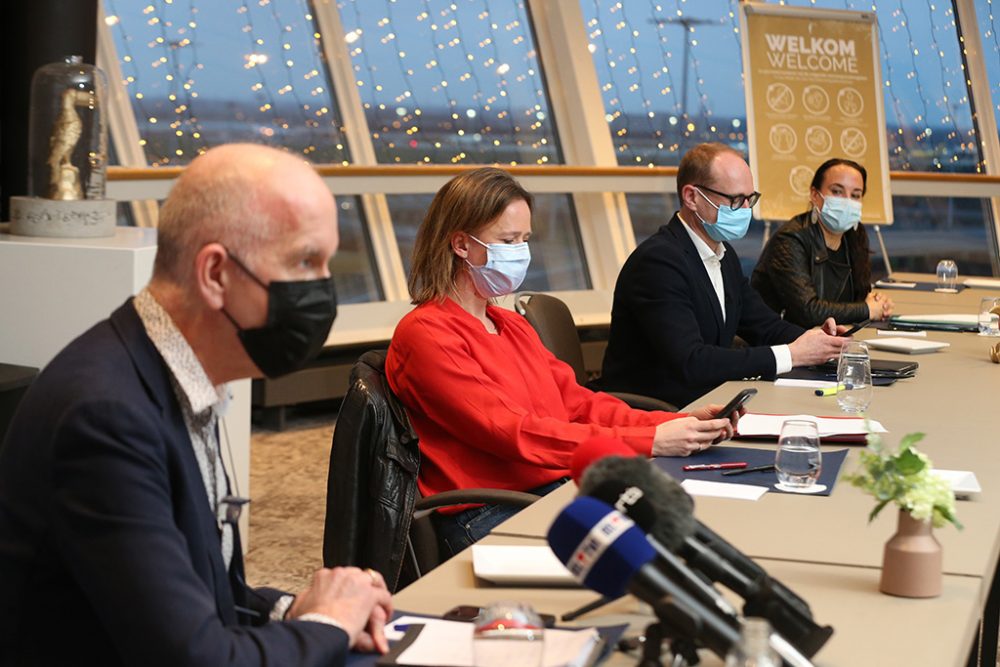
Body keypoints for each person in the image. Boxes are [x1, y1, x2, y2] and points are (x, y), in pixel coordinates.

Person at [0, 144, 392, 666]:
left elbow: (199, 596)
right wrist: (329, 624)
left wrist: (297, 610)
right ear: (214, 274)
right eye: (305, 261)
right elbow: (195, 658)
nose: (324, 289)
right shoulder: (106, 415)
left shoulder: (164, 376)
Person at [385, 167, 737, 558]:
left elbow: (579, 405)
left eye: (524, 239)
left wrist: (675, 423)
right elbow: (514, 433)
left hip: (551, 489)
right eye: (507, 240)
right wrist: (649, 441)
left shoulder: (509, 325)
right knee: (647, 555)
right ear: (461, 246)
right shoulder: (427, 334)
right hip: (489, 511)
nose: (520, 251)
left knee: (681, 532)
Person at [599, 143, 849, 408]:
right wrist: (792, 354)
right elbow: (691, 361)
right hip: (656, 409)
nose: (744, 210)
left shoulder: (722, 253)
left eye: (749, 199)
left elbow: (765, 326)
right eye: (735, 200)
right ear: (692, 197)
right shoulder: (658, 262)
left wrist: (817, 341)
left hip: (706, 399)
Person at [751, 158, 893, 328]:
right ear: (814, 195)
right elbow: (808, 311)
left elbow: (855, 299)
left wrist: (876, 303)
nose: (847, 202)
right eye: (837, 191)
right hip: (781, 344)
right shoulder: (790, 240)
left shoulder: (854, 236)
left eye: (855, 195)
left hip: (829, 340)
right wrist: (866, 309)